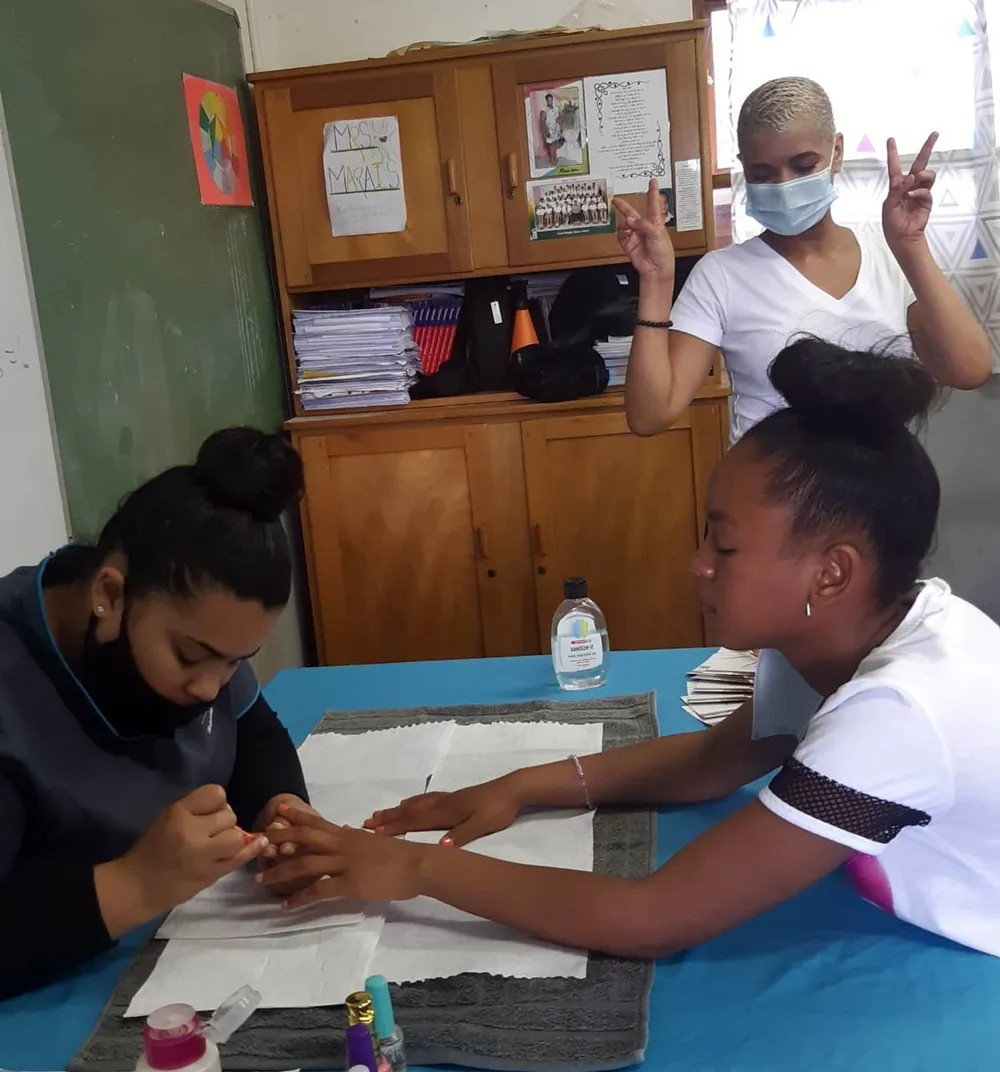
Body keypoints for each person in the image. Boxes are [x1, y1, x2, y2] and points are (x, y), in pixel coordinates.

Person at [258, 341, 1000, 961]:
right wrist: (521, 785)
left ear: (830, 574)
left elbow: (652, 918)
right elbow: (715, 760)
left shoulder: (898, 711)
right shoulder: (840, 633)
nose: (697, 564)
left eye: (725, 546)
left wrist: (412, 868)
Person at [0, 427, 315, 999]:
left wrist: (282, 811)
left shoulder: (195, 626)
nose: (209, 688)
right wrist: (135, 885)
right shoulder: (13, 696)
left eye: (235, 662)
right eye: (191, 658)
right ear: (110, 595)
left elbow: (252, 731)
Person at [618, 76, 991, 443]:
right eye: (762, 173)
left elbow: (968, 370)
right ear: (744, 167)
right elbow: (650, 415)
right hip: (773, 482)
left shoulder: (889, 257)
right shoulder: (721, 275)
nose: (784, 185)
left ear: (836, 152)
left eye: (803, 166)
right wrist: (655, 281)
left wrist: (910, 245)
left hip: (884, 479)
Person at [539, 93, 564, 167]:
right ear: (546, 101)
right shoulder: (544, 110)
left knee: (555, 144)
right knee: (551, 144)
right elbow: (542, 121)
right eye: (548, 100)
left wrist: (560, 126)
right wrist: (546, 131)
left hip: (556, 128)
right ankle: (552, 160)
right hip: (549, 129)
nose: (550, 101)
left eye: (551, 100)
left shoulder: (555, 108)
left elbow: (560, 117)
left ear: (552, 100)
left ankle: (555, 157)